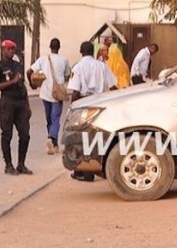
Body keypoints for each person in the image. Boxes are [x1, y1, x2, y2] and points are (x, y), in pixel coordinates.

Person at [67, 41, 117, 181]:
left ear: (81, 51)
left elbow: (75, 91)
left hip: (85, 102)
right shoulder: (102, 66)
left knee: (82, 138)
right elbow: (113, 86)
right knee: (99, 136)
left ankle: (84, 171)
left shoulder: (77, 67)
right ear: (93, 51)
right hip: (101, 102)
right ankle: (99, 167)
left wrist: (72, 109)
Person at [27, 38, 71, 155]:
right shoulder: (64, 59)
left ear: (50, 47)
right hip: (57, 94)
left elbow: (29, 71)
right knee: (55, 118)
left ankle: (53, 144)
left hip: (45, 93)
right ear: (59, 47)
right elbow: (68, 74)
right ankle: (51, 139)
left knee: (49, 119)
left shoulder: (43, 59)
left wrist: (32, 84)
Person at [0, 40, 32, 175]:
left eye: (13, 49)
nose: (11, 51)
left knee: (25, 134)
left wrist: (27, 105)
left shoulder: (18, 65)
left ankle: (21, 164)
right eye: (8, 49)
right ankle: (8, 165)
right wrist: (12, 82)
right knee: (7, 134)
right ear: (3, 50)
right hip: (7, 102)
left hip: (21, 102)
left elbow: (23, 85)